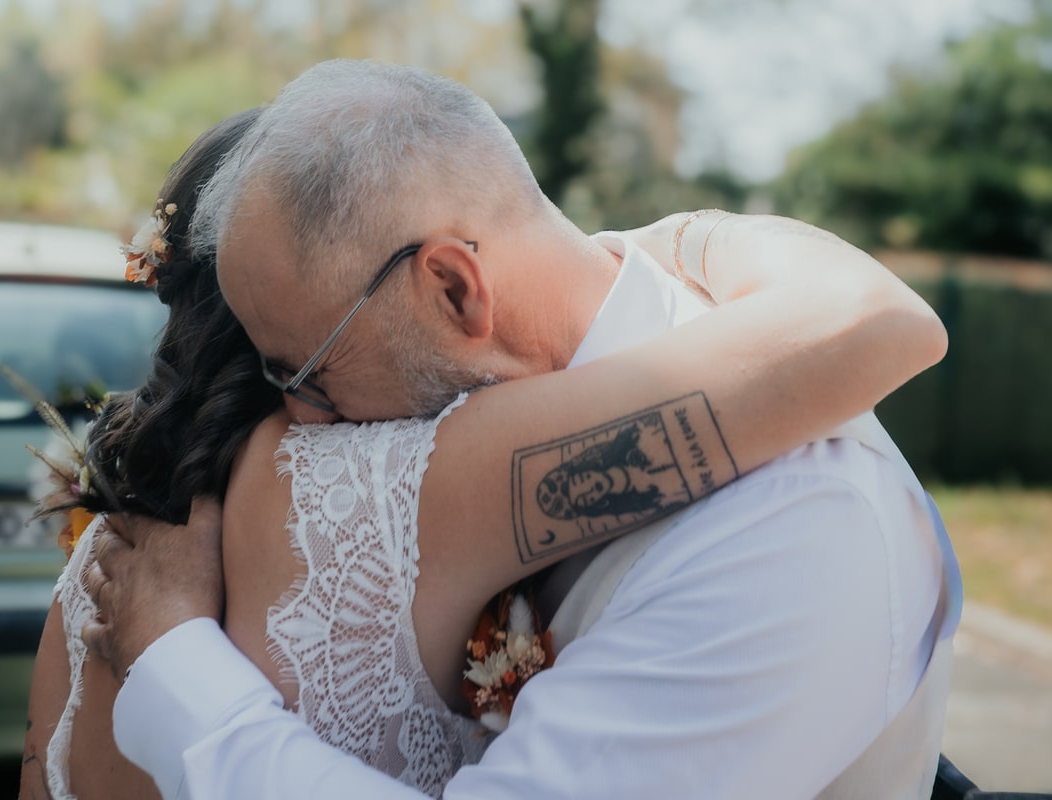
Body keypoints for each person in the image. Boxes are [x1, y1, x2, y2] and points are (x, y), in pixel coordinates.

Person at [81, 62, 959, 799]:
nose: (300, 426)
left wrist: (179, 673)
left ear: (454, 288)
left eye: (302, 373)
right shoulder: (501, 427)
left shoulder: (793, 522)